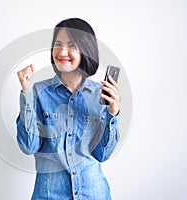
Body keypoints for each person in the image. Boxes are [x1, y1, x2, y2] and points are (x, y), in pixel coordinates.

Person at [16, 18, 121, 200]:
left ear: (86, 50)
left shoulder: (100, 95)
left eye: (71, 45)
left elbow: (102, 154)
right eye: (58, 44)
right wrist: (26, 92)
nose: (62, 52)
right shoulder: (38, 92)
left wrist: (113, 113)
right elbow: (28, 146)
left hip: (93, 194)